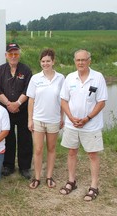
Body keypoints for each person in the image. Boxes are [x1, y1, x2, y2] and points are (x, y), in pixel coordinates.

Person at [59, 49, 108, 201]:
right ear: (74, 61)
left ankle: (94, 186)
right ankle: (71, 181)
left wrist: (87, 118)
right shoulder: (70, 78)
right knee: (72, 152)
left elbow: (101, 102)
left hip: (90, 125)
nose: (81, 63)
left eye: (84, 60)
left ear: (89, 60)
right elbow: (63, 100)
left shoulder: (97, 77)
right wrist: (71, 117)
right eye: (78, 60)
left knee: (92, 154)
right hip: (72, 124)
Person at [26, 49, 65, 189]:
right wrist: (30, 119)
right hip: (38, 120)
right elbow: (31, 100)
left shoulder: (61, 78)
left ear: (53, 61)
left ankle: (49, 176)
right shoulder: (35, 78)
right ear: (40, 62)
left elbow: (63, 100)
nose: (45, 63)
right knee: (37, 149)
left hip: (54, 120)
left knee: (52, 148)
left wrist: (62, 117)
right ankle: (37, 177)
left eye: (48, 61)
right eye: (43, 61)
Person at [0, 43, 33, 179]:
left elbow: (28, 90)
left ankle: (25, 167)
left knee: (25, 139)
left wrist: (17, 103)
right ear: (6, 55)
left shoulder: (26, 70)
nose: (13, 56)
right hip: (5, 111)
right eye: (10, 54)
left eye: (15, 53)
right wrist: (9, 104)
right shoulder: (0, 70)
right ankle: (8, 165)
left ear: (19, 55)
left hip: (23, 109)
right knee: (8, 138)